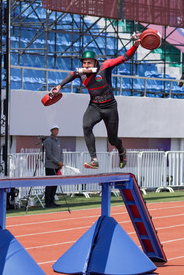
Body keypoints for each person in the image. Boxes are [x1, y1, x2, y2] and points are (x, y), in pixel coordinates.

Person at [50, 34, 141, 169]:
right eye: (84, 63)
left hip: (110, 107)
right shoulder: (81, 73)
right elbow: (71, 75)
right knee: (86, 126)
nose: (86, 65)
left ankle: (121, 150)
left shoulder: (105, 66)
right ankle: (94, 159)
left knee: (112, 140)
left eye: (89, 63)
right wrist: (59, 86)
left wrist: (135, 45)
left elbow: (124, 57)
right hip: (95, 106)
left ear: (95, 62)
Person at [43, 125, 63, 208]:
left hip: (57, 166)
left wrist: (61, 162)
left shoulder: (58, 141)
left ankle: (52, 201)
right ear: (51, 131)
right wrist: (57, 162)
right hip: (50, 166)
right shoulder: (48, 141)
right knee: (50, 184)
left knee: (55, 184)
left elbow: (61, 153)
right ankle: (48, 202)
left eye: (57, 130)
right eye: (54, 130)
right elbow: (49, 154)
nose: (56, 132)